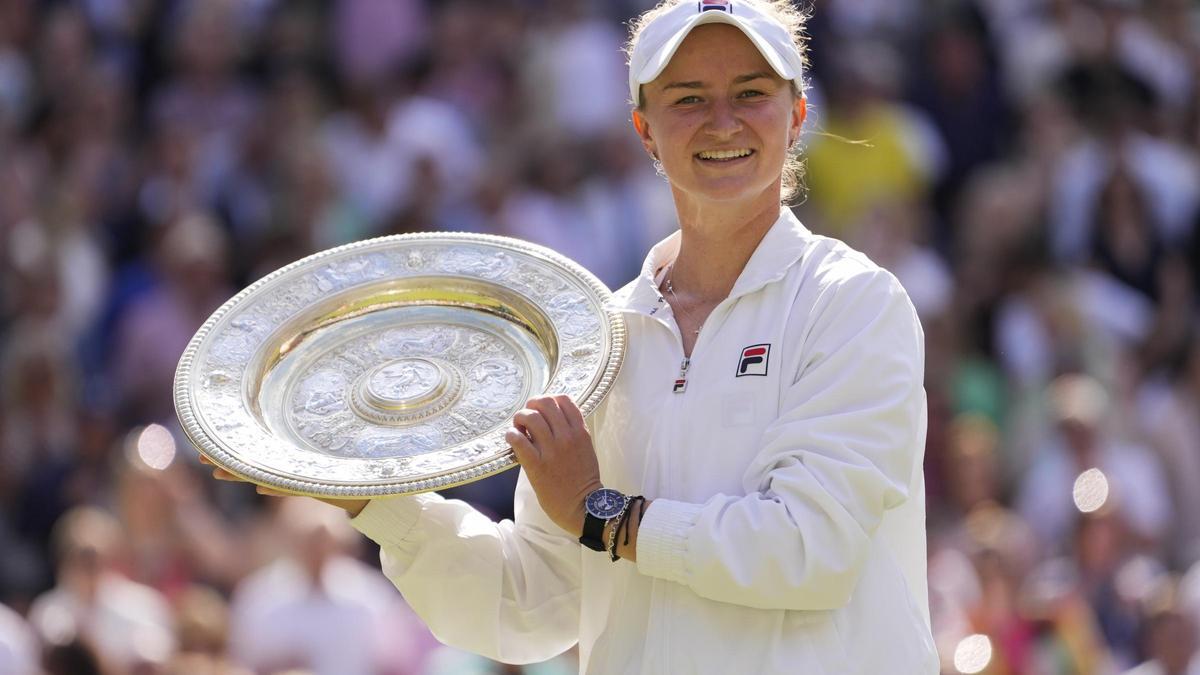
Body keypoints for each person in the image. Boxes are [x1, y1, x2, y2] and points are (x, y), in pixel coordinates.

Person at [209, 1, 937, 672]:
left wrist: (605, 515)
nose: (722, 121)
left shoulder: (854, 303)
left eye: (751, 92)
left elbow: (810, 550)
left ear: (796, 114)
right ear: (644, 128)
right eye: (688, 98)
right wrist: (362, 489)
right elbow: (531, 606)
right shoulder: (598, 337)